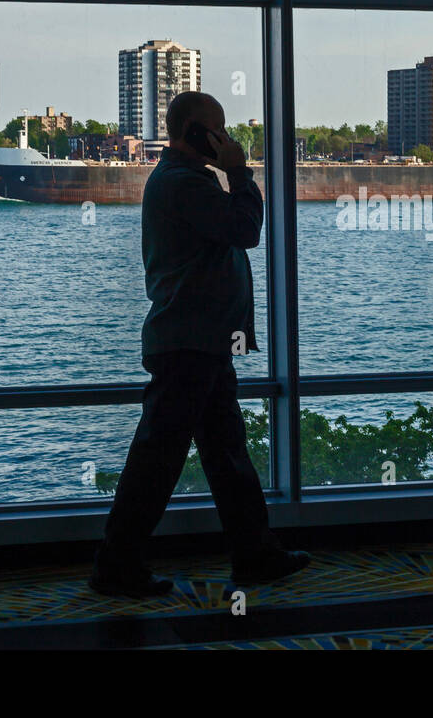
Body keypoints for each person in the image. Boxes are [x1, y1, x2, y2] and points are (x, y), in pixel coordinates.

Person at [89, 91, 310, 597]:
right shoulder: (185, 184)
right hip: (190, 343)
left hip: (200, 342)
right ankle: (116, 564)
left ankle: (253, 553)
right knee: (159, 457)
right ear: (193, 132)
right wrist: (242, 174)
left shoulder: (183, 181)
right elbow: (245, 230)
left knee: (223, 452)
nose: (226, 139)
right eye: (218, 130)